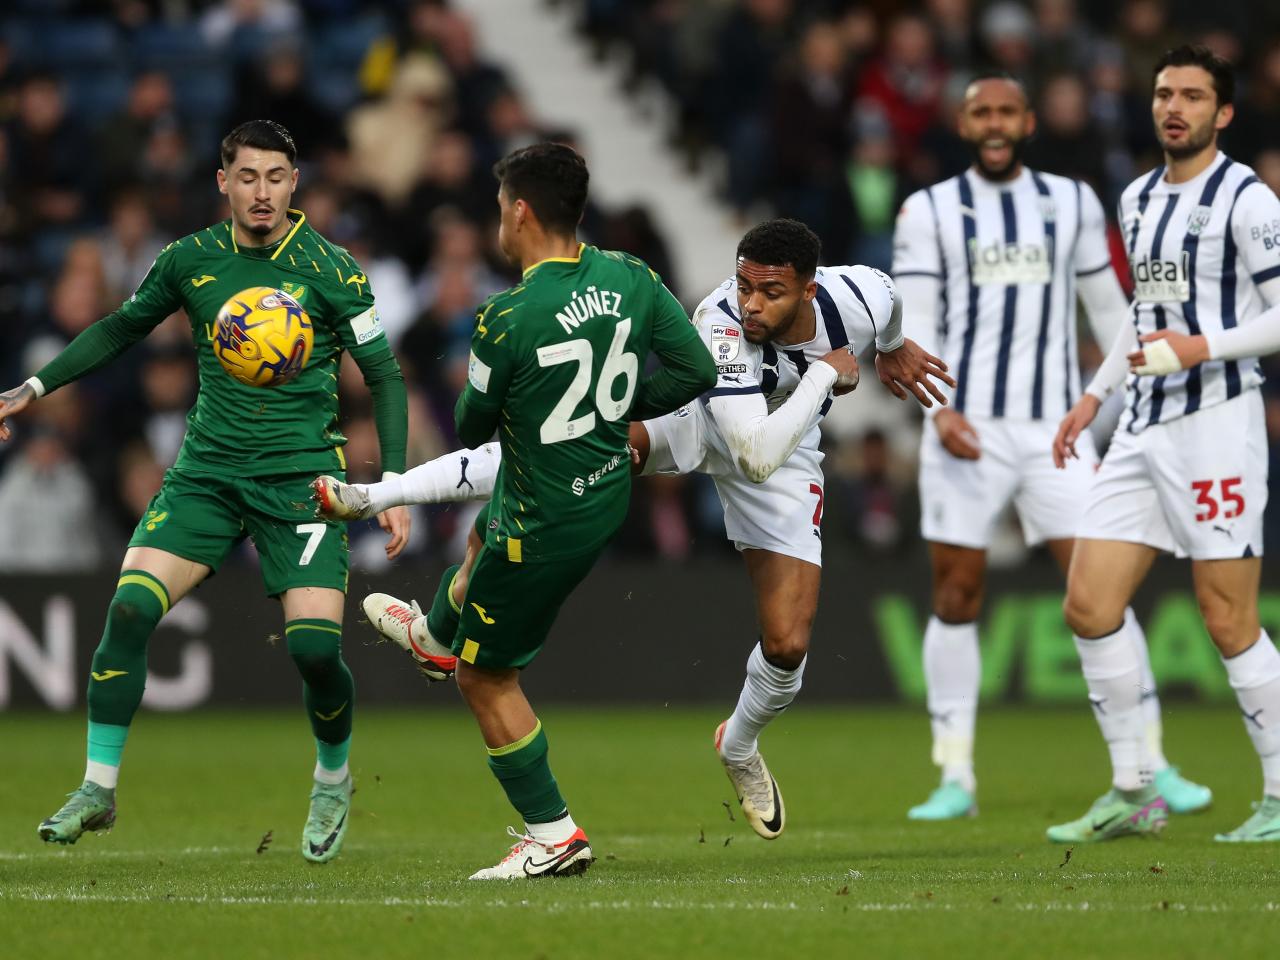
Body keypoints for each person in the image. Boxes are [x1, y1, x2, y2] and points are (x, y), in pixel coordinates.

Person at [317, 218, 952, 841]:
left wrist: (893, 346)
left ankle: (738, 743)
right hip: (702, 420)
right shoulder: (721, 323)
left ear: (810, 290)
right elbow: (748, 448)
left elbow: (887, 303)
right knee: (556, 448)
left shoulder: (860, 295)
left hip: (787, 452)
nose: (751, 303)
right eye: (744, 285)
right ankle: (379, 503)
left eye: (771, 293)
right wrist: (822, 374)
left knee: (787, 645)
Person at [0, 120, 411, 863]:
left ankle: (332, 775)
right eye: (247, 177)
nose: (262, 192)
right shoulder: (189, 260)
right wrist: (34, 385)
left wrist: (394, 486)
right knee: (128, 607)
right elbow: (123, 327)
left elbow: (382, 373)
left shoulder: (334, 268)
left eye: (277, 177)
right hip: (208, 475)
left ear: (296, 183)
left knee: (316, 651)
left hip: (301, 483)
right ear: (222, 181)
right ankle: (98, 787)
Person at [318, 142, 717, 879]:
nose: (498, 220)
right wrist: (617, 413)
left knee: (486, 679)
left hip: (544, 523)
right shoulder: (631, 274)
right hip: (601, 491)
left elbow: (472, 425)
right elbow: (695, 369)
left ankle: (553, 833)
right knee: (479, 538)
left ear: (521, 212)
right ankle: (437, 634)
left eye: (502, 208)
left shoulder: (506, 315)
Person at [891, 72, 1211, 822]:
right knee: (955, 594)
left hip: (1052, 432)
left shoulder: (1070, 202)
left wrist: (1129, 408)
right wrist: (938, 415)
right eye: (981, 113)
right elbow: (918, 321)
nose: (995, 124)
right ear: (964, 124)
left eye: (1007, 112)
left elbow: (1112, 311)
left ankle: (1152, 766)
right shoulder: (928, 210)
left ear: (1028, 122)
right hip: (963, 429)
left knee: (1100, 588)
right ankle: (955, 777)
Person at [1051, 44, 1280, 842]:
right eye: (1162, 93)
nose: (1172, 107)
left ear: (1222, 114)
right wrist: (1092, 396)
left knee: (1227, 619)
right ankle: (1136, 790)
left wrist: (1200, 349)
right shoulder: (1139, 197)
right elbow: (1139, 317)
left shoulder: (1248, 200)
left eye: (1191, 95)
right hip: (1142, 425)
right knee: (1088, 605)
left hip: (1217, 423)